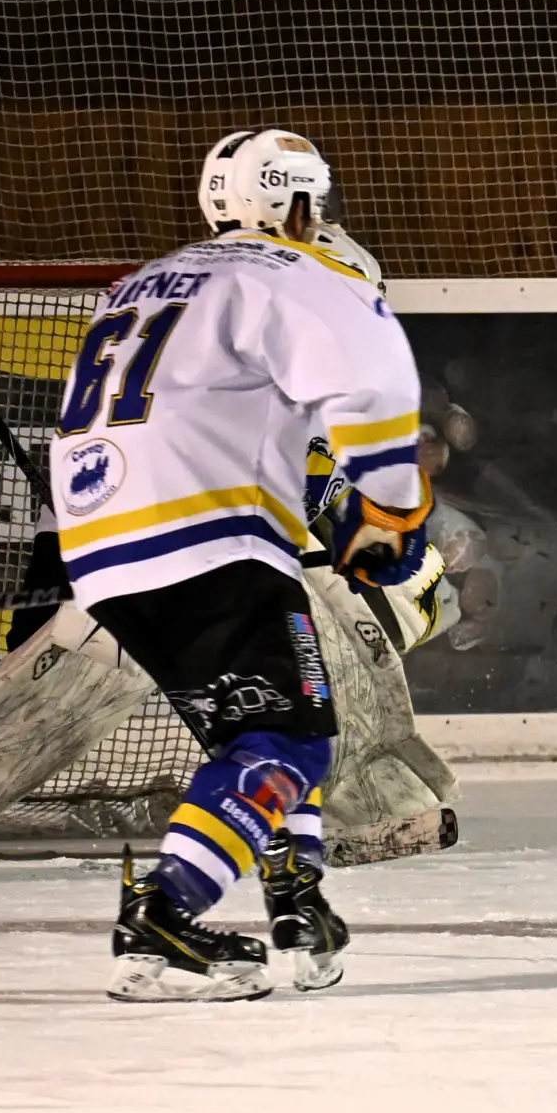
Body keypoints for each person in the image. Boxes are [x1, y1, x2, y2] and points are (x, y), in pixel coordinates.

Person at [48, 128, 432, 998]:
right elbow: (374, 387)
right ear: (294, 202)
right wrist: (392, 512)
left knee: (250, 735)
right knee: (291, 741)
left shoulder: (140, 283)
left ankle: (294, 897)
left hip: (103, 550)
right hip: (207, 537)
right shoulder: (295, 273)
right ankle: (165, 918)